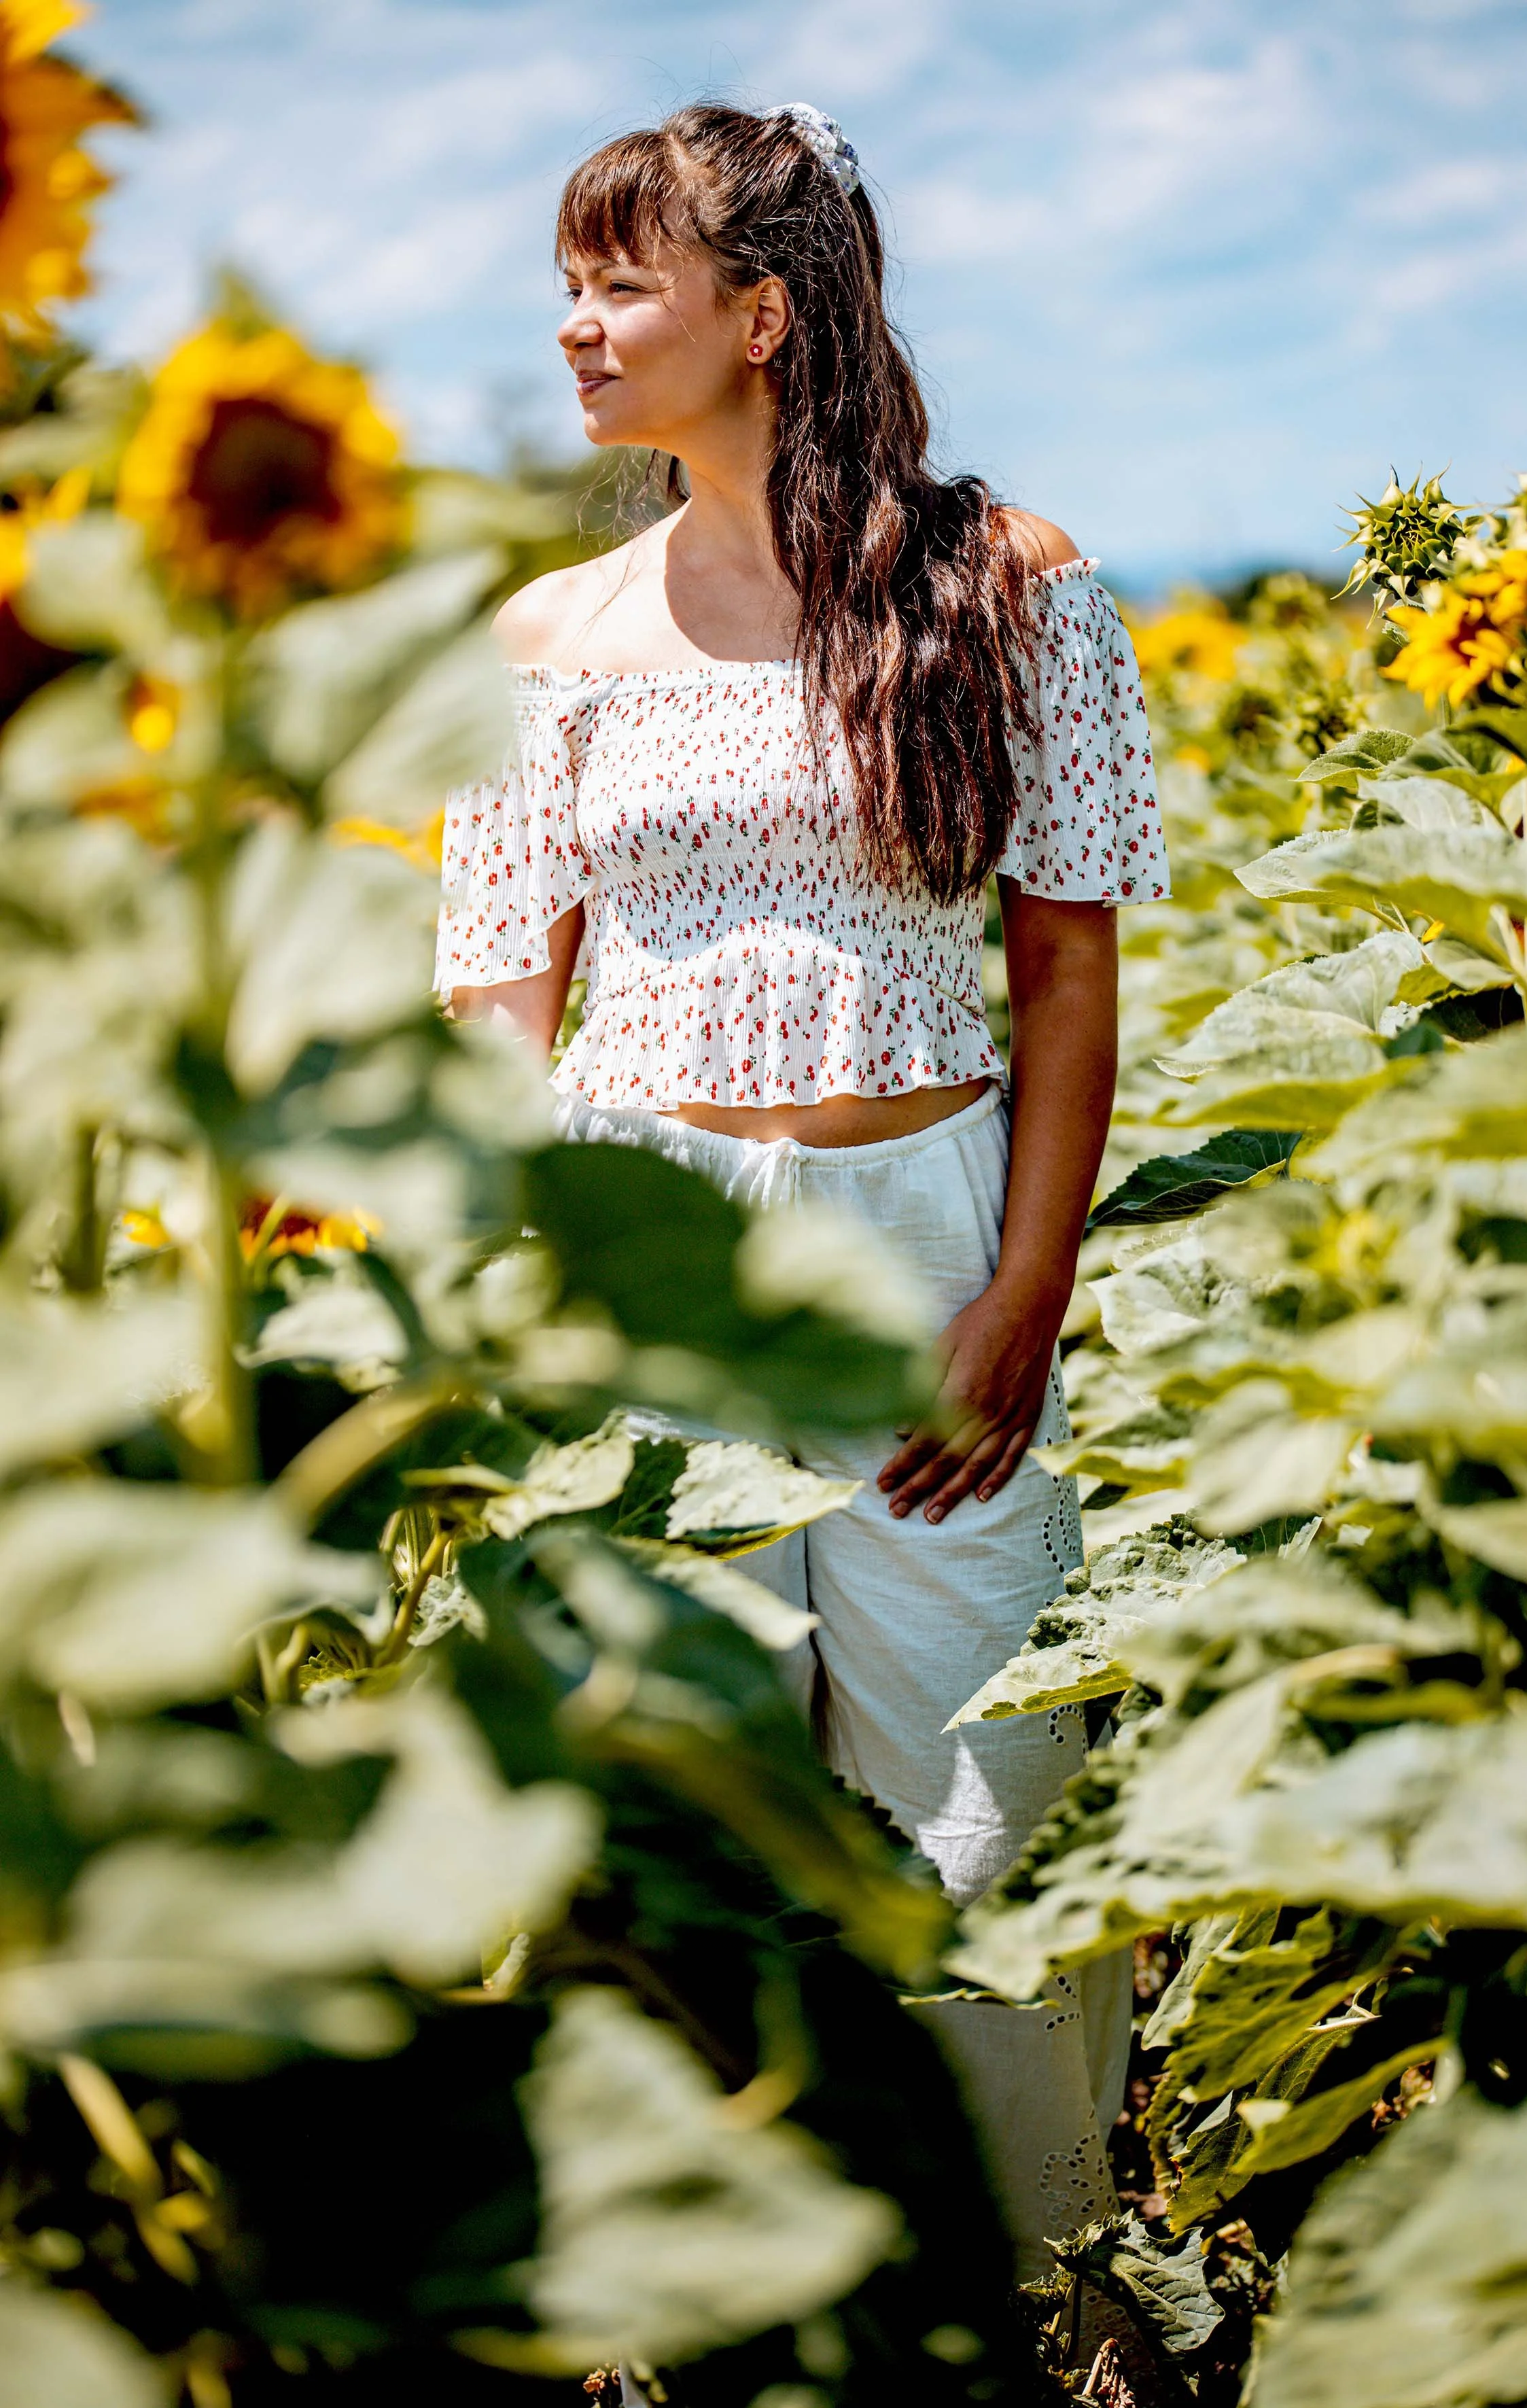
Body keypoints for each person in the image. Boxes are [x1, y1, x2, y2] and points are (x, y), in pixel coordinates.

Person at [438, 99, 1168, 2284]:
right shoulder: (548, 641)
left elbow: (1063, 961)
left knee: (994, 1796)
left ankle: (1022, 2290)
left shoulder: (1004, 585)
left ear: (760, 314)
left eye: (617, 279)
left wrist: (1026, 1294)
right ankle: (728, 2309)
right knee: (690, 1810)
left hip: (929, 1236)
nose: (572, 326)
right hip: (649, 1245)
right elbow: (496, 1009)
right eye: (569, 279)